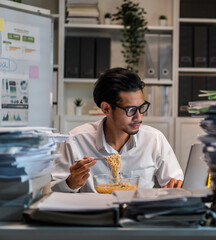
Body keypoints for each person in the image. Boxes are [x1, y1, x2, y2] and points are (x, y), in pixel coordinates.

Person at [51, 68, 183, 192]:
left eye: (142, 107)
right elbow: (51, 190)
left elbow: (175, 182)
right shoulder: (76, 140)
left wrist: (175, 186)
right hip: (95, 214)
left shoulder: (154, 139)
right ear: (106, 108)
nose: (139, 116)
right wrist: (70, 183)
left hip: (137, 214)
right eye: (131, 110)